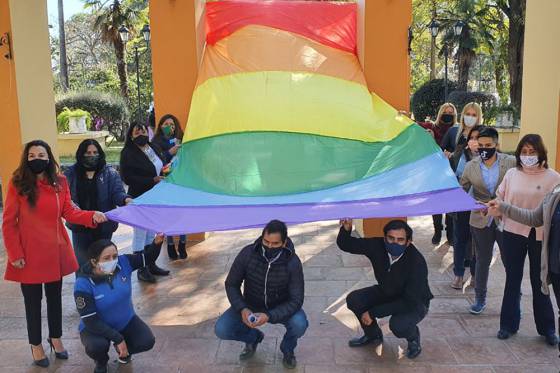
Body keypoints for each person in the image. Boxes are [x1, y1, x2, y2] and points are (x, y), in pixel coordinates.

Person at [2, 140, 107, 368]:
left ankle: (56, 338)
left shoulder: (59, 182)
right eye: (31, 155)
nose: (37, 159)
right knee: (32, 302)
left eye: (41, 154)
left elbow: (69, 211)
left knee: (54, 298)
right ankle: (35, 345)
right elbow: (9, 223)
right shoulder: (18, 183)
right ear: (26, 159)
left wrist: (91, 216)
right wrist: (14, 252)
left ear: (49, 157)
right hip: (28, 253)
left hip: (55, 250)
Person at [492, 134, 559, 344]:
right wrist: (495, 208)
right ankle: (507, 325)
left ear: (541, 153)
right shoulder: (512, 174)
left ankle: (547, 329)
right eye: (524, 152)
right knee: (512, 279)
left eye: (532, 152)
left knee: (540, 281)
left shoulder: (554, 178)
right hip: (513, 232)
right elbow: (499, 197)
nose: (528, 156)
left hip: (541, 236)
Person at [214, 220, 307, 369]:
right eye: (266, 241)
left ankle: (288, 350)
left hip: (280, 307)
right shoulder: (247, 253)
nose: (269, 246)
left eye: (275, 244)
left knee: (300, 324)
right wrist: (242, 308)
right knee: (222, 329)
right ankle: (253, 338)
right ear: (262, 237)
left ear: (283, 243)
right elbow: (231, 284)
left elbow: (296, 300)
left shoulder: (293, 262)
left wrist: (269, 316)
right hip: (250, 304)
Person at [337, 219, 433, 359]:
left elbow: (409, 301)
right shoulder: (377, 245)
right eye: (391, 238)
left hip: (414, 302)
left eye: (400, 240)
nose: (394, 243)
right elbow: (347, 244)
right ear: (384, 237)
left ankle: (413, 338)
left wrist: (373, 312)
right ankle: (373, 335)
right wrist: (346, 229)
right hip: (387, 291)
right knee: (354, 299)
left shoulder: (417, 262)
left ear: (408, 242)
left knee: (398, 325)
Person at [74, 236, 162, 373]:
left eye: (115, 256)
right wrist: (118, 339)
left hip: (125, 321)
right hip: (96, 327)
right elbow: (90, 320)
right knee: (96, 347)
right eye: (106, 258)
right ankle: (101, 362)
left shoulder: (124, 262)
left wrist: (157, 242)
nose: (112, 261)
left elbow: (147, 258)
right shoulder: (82, 284)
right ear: (94, 261)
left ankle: (123, 350)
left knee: (147, 341)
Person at [460, 127, 516, 314]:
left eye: (488, 145)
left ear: (496, 144)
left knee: (510, 261)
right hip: (480, 218)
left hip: (506, 218)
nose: (484, 149)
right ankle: (479, 299)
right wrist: (475, 204)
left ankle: (514, 301)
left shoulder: (511, 163)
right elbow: (461, 192)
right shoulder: (471, 166)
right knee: (482, 260)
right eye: (481, 145)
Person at [65, 139, 132, 266]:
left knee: (103, 263)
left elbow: (117, 193)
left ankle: (102, 285)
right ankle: (84, 286)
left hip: (104, 226)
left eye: (95, 152)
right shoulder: (71, 173)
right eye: (88, 153)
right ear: (81, 154)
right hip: (80, 227)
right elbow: (68, 200)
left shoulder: (109, 173)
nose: (92, 156)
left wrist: (126, 199)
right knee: (83, 264)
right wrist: (82, 215)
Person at [120, 122, 169, 283]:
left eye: (142, 131)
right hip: (139, 197)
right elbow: (127, 178)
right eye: (136, 132)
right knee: (140, 233)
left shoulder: (152, 147)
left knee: (150, 231)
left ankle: (150, 263)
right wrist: (151, 180)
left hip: (155, 196)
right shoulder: (128, 153)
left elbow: (160, 165)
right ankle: (141, 269)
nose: (140, 134)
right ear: (131, 135)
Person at [448, 124, 484, 289]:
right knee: (459, 240)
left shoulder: (491, 158)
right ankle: (458, 274)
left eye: (479, 138)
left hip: (480, 206)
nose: (475, 141)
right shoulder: (458, 156)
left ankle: (476, 275)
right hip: (460, 205)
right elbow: (449, 178)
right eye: (472, 138)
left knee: (477, 242)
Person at [420, 103, 458, 245]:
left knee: (450, 203)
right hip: (434, 171)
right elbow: (414, 126)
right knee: (436, 203)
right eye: (445, 112)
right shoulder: (432, 128)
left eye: (451, 112)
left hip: (451, 171)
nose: (448, 114)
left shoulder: (457, 130)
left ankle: (450, 232)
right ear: (440, 113)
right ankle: (437, 230)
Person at [151, 114, 188, 260]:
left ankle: (183, 243)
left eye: (172, 124)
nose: (169, 127)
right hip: (166, 180)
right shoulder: (155, 142)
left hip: (182, 180)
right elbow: (156, 161)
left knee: (182, 212)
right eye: (166, 124)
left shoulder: (182, 138)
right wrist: (169, 153)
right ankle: (171, 244)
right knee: (170, 213)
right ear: (160, 126)